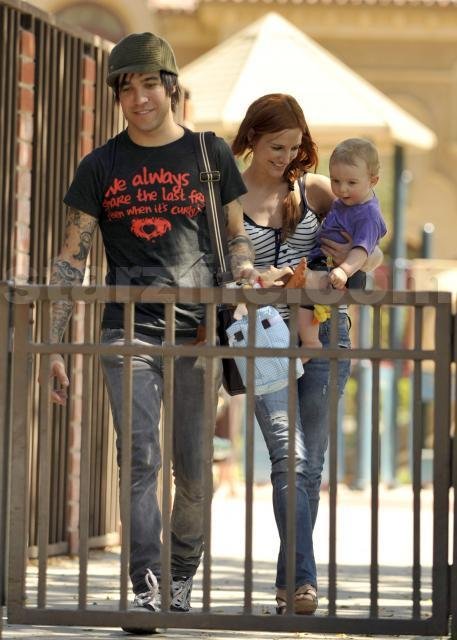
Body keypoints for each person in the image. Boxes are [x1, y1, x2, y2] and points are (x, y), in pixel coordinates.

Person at [40, 31, 256, 626]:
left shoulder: (210, 155)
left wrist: (244, 271)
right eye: (127, 89)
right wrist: (55, 343)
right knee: (137, 457)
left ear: (172, 87)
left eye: (150, 85)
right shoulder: (100, 165)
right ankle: (146, 582)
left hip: (198, 333)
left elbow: (236, 236)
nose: (139, 99)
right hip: (127, 331)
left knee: (193, 468)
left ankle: (181, 573)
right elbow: (71, 257)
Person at [231, 93, 383, 615]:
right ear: (252, 138)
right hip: (265, 336)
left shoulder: (317, 190)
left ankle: (291, 582)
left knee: (309, 463)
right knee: (287, 456)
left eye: (295, 147)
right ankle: (302, 581)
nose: (286, 157)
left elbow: (372, 239)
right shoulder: (230, 199)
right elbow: (224, 269)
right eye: (277, 146)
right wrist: (263, 279)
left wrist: (353, 262)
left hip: (326, 330)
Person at [297, 136, 387, 357]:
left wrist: (344, 270)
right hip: (327, 264)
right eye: (335, 181)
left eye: (351, 183)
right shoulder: (345, 202)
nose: (342, 189)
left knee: (308, 284)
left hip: (343, 272)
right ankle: (309, 340)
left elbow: (362, 250)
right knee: (305, 289)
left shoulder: (367, 214)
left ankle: (310, 342)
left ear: (373, 181)